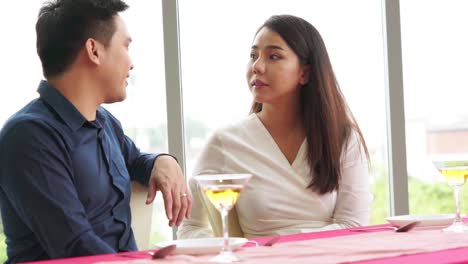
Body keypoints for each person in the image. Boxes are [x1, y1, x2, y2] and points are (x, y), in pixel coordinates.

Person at [0, 0, 192, 263]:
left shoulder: (104, 122)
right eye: (126, 46)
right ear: (93, 50)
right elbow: (75, 246)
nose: (131, 63)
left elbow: (135, 160)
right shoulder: (28, 136)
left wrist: (163, 161)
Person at [177, 14, 371, 239]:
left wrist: (286, 246)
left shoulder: (343, 138)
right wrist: (234, 252)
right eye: (253, 55)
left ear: (304, 73)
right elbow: (190, 227)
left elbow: (354, 225)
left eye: (274, 56)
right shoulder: (226, 142)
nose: (257, 66)